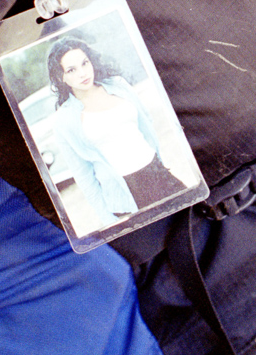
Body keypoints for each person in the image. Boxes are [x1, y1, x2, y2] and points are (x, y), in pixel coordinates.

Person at [46, 36, 187, 227]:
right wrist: (108, 220)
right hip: (126, 194)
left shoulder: (118, 85)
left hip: (158, 174)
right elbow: (84, 176)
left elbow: (147, 127)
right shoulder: (63, 121)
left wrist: (160, 164)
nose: (83, 73)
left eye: (84, 63)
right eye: (71, 70)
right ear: (61, 77)